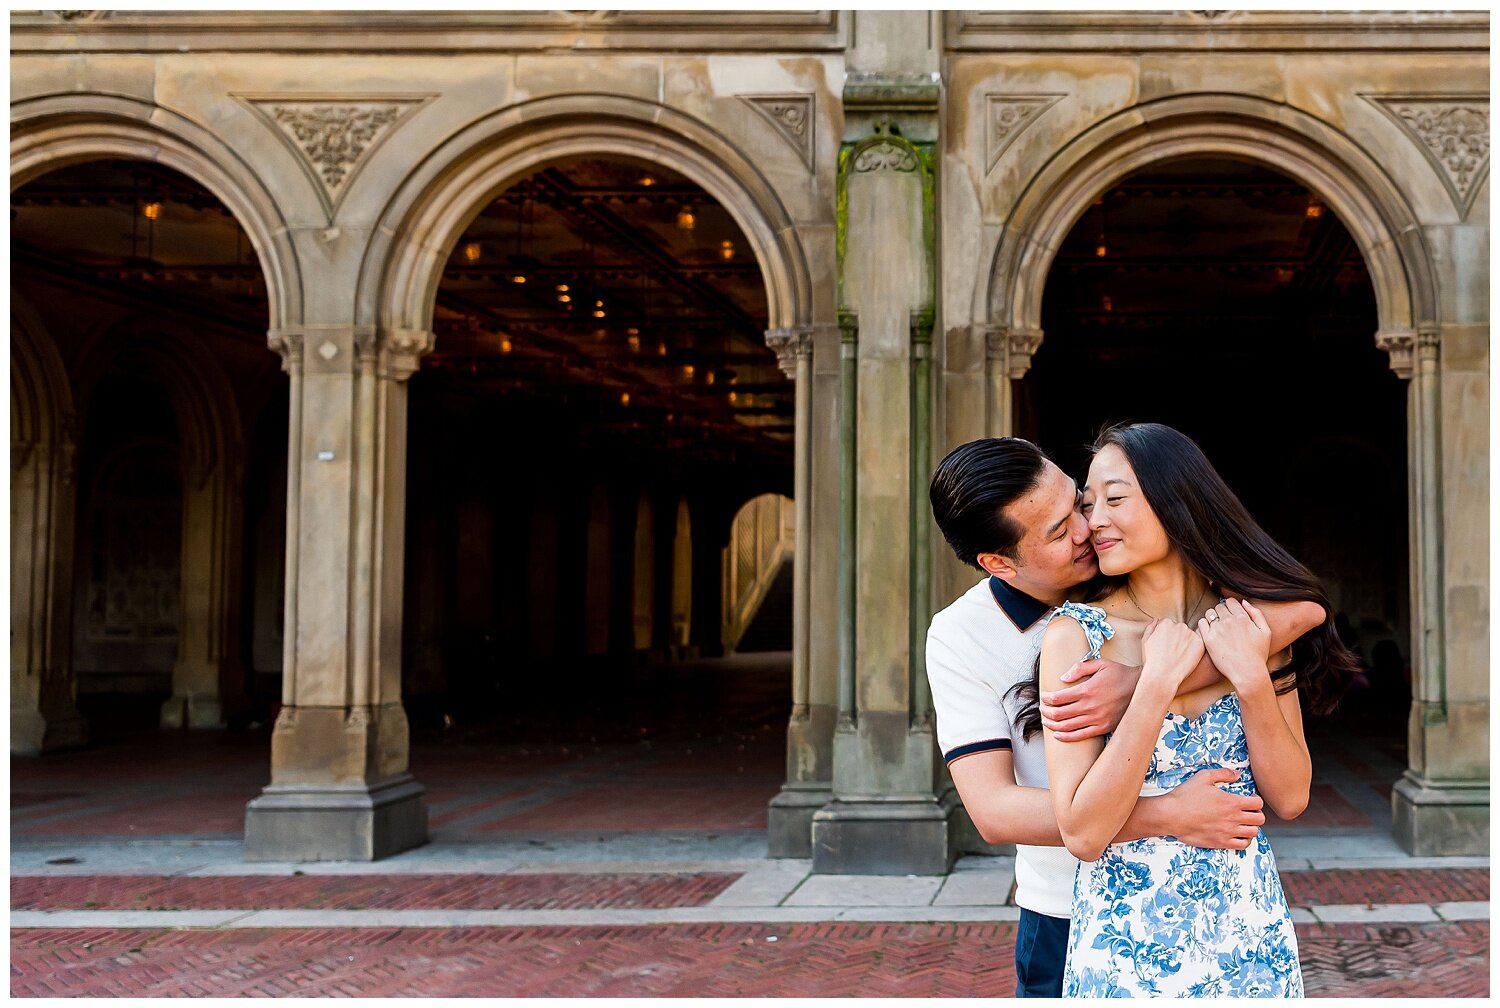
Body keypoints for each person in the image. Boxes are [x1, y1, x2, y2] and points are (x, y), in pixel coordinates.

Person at [925, 436, 1325, 998]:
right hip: (1074, 910)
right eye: (1063, 530)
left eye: (1080, 502)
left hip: (1244, 933)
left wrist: (1144, 681)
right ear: (1000, 563)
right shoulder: (972, 635)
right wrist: (1167, 812)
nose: (1090, 527)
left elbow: (1303, 611)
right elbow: (995, 811)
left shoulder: (1209, 605)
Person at [1037, 422, 1357, 997]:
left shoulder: (1248, 626)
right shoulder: (1074, 637)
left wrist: (1251, 675)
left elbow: (1290, 796)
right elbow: (1082, 832)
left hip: (1250, 942)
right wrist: (1155, 683)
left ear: (1176, 500)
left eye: (1114, 499)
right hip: (1124, 953)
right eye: (1089, 505)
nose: (1095, 521)